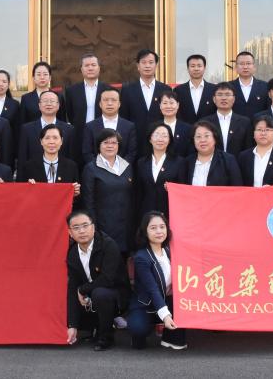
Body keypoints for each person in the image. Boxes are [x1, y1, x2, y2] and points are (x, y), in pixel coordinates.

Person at [65, 210, 130, 352]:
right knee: (72, 296)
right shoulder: (72, 254)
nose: (81, 231)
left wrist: (82, 290)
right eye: (76, 227)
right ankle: (93, 327)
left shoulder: (108, 245)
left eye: (85, 225)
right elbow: (73, 287)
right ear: (70, 232)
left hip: (116, 294)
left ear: (93, 227)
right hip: (90, 294)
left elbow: (107, 279)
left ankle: (106, 337)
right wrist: (72, 325)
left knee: (100, 294)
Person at [128, 211, 187, 351]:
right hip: (146, 304)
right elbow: (152, 289)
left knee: (182, 307)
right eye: (153, 228)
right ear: (145, 232)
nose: (159, 231)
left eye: (162, 226)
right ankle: (140, 333)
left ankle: (169, 338)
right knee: (138, 328)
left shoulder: (169, 251)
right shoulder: (141, 258)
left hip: (167, 301)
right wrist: (165, 316)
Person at [82, 129, 136, 255]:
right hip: (103, 227)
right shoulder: (91, 168)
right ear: (98, 145)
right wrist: (93, 227)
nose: (110, 146)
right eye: (105, 142)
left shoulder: (127, 167)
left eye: (114, 142)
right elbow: (88, 202)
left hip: (125, 227)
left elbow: (133, 197)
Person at [119, 49, 173, 156]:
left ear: (156, 65)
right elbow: (124, 116)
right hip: (134, 141)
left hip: (159, 141)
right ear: (138, 66)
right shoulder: (127, 90)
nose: (147, 66)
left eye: (151, 62)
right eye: (143, 62)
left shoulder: (165, 89)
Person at [64, 54, 113, 155]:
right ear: (81, 69)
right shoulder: (71, 91)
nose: (90, 68)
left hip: (103, 135)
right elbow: (70, 114)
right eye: (86, 65)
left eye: (93, 65)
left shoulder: (109, 90)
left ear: (99, 68)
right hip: (79, 136)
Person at [16, 90, 77, 171]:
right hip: (33, 176)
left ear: (58, 105)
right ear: (39, 105)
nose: (49, 104)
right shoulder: (27, 129)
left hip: (61, 175)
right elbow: (22, 159)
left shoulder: (69, 130)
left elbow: (72, 159)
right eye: (45, 101)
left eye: (52, 101)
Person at [20, 124, 82, 196]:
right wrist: (27, 188)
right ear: (41, 141)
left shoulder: (71, 166)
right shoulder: (29, 167)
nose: (51, 142)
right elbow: (21, 195)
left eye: (55, 138)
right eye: (47, 138)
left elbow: (77, 198)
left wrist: (75, 193)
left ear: (61, 141)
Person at [176, 121, 243, 186]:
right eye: (198, 137)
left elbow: (237, 188)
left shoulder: (228, 160)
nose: (202, 140)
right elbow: (181, 188)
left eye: (206, 136)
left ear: (215, 138)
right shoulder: (187, 162)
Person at [135, 122, 181, 218]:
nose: (160, 139)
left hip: (170, 213)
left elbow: (182, 190)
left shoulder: (179, 162)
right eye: (156, 135)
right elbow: (138, 192)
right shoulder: (141, 162)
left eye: (164, 136)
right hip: (146, 214)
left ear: (169, 140)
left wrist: (173, 188)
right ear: (150, 139)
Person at [81, 88, 136, 165]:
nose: (109, 103)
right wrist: (101, 167)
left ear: (119, 104)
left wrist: (118, 167)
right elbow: (87, 153)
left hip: (122, 170)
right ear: (100, 104)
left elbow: (132, 153)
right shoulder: (90, 126)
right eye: (106, 100)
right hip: (97, 170)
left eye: (113, 100)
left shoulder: (129, 126)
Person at [201, 83, 251, 155]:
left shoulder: (245, 122)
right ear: (214, 99)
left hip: (237, 161)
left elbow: (248, 148)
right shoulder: (205, 122)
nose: (224, 98)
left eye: (227, 94)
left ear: (233, 99)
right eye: (220, 94)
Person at [174, 53, 217, 123]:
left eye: (199, 66)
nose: (196, 69)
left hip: (208, 128)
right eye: (192, 66)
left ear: (204, 68)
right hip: (185, 129)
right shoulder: (178, 90)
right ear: (188, 69)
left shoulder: (214, 89)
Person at [20, 61, 66, 125]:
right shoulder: (26, 98)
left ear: (50, 77)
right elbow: (22, 122)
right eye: (38, 74)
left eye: (45, 74)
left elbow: (63, 120)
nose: (42, 77)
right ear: (33, 78)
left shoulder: (58, 96)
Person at [227, 50, 270, 119]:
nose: (245, 67)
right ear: (236, 67)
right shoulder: (228, 87)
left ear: (254, 67)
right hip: (235, 125)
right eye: (242, 64)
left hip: (258, 125)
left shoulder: (265, 87)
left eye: (248, 63)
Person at [0, 69, 22, 152]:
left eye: (4, 82)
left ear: (8, 85)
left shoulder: (14, 105)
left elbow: (17, 130)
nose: (0, 84)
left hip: (8, 148)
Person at [155, 91, 191, 158]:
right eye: (165, 103)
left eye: (171, 103)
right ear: (160, 105)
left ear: (178, 105)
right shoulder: (154, 128)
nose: (168, 106)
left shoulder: (187, 129)